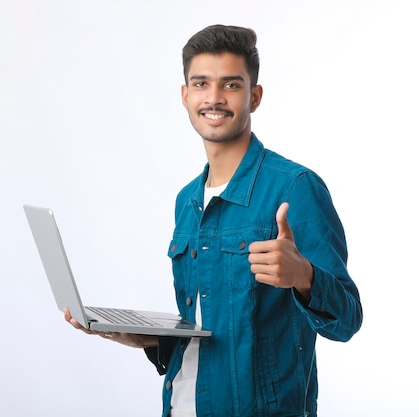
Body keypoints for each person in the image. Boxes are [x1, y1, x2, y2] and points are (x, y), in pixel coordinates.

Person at [64, 24, 362, 417]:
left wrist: (304, 275)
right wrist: (145, 339)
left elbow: (348, 320)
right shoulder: (186, 200)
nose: (214, 98)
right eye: (201, 83)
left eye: (231, 85)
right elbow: (211, 333)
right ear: (186, 96)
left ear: (254, 96)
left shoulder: (294, 188)